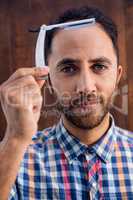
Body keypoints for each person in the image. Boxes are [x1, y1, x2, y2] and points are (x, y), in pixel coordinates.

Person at [0, 6, 133, 200]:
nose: (86, 87)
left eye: (99, 66)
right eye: (69, 68)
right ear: (49, 78)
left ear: (117, 76)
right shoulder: (14, 157)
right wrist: (15, 138)